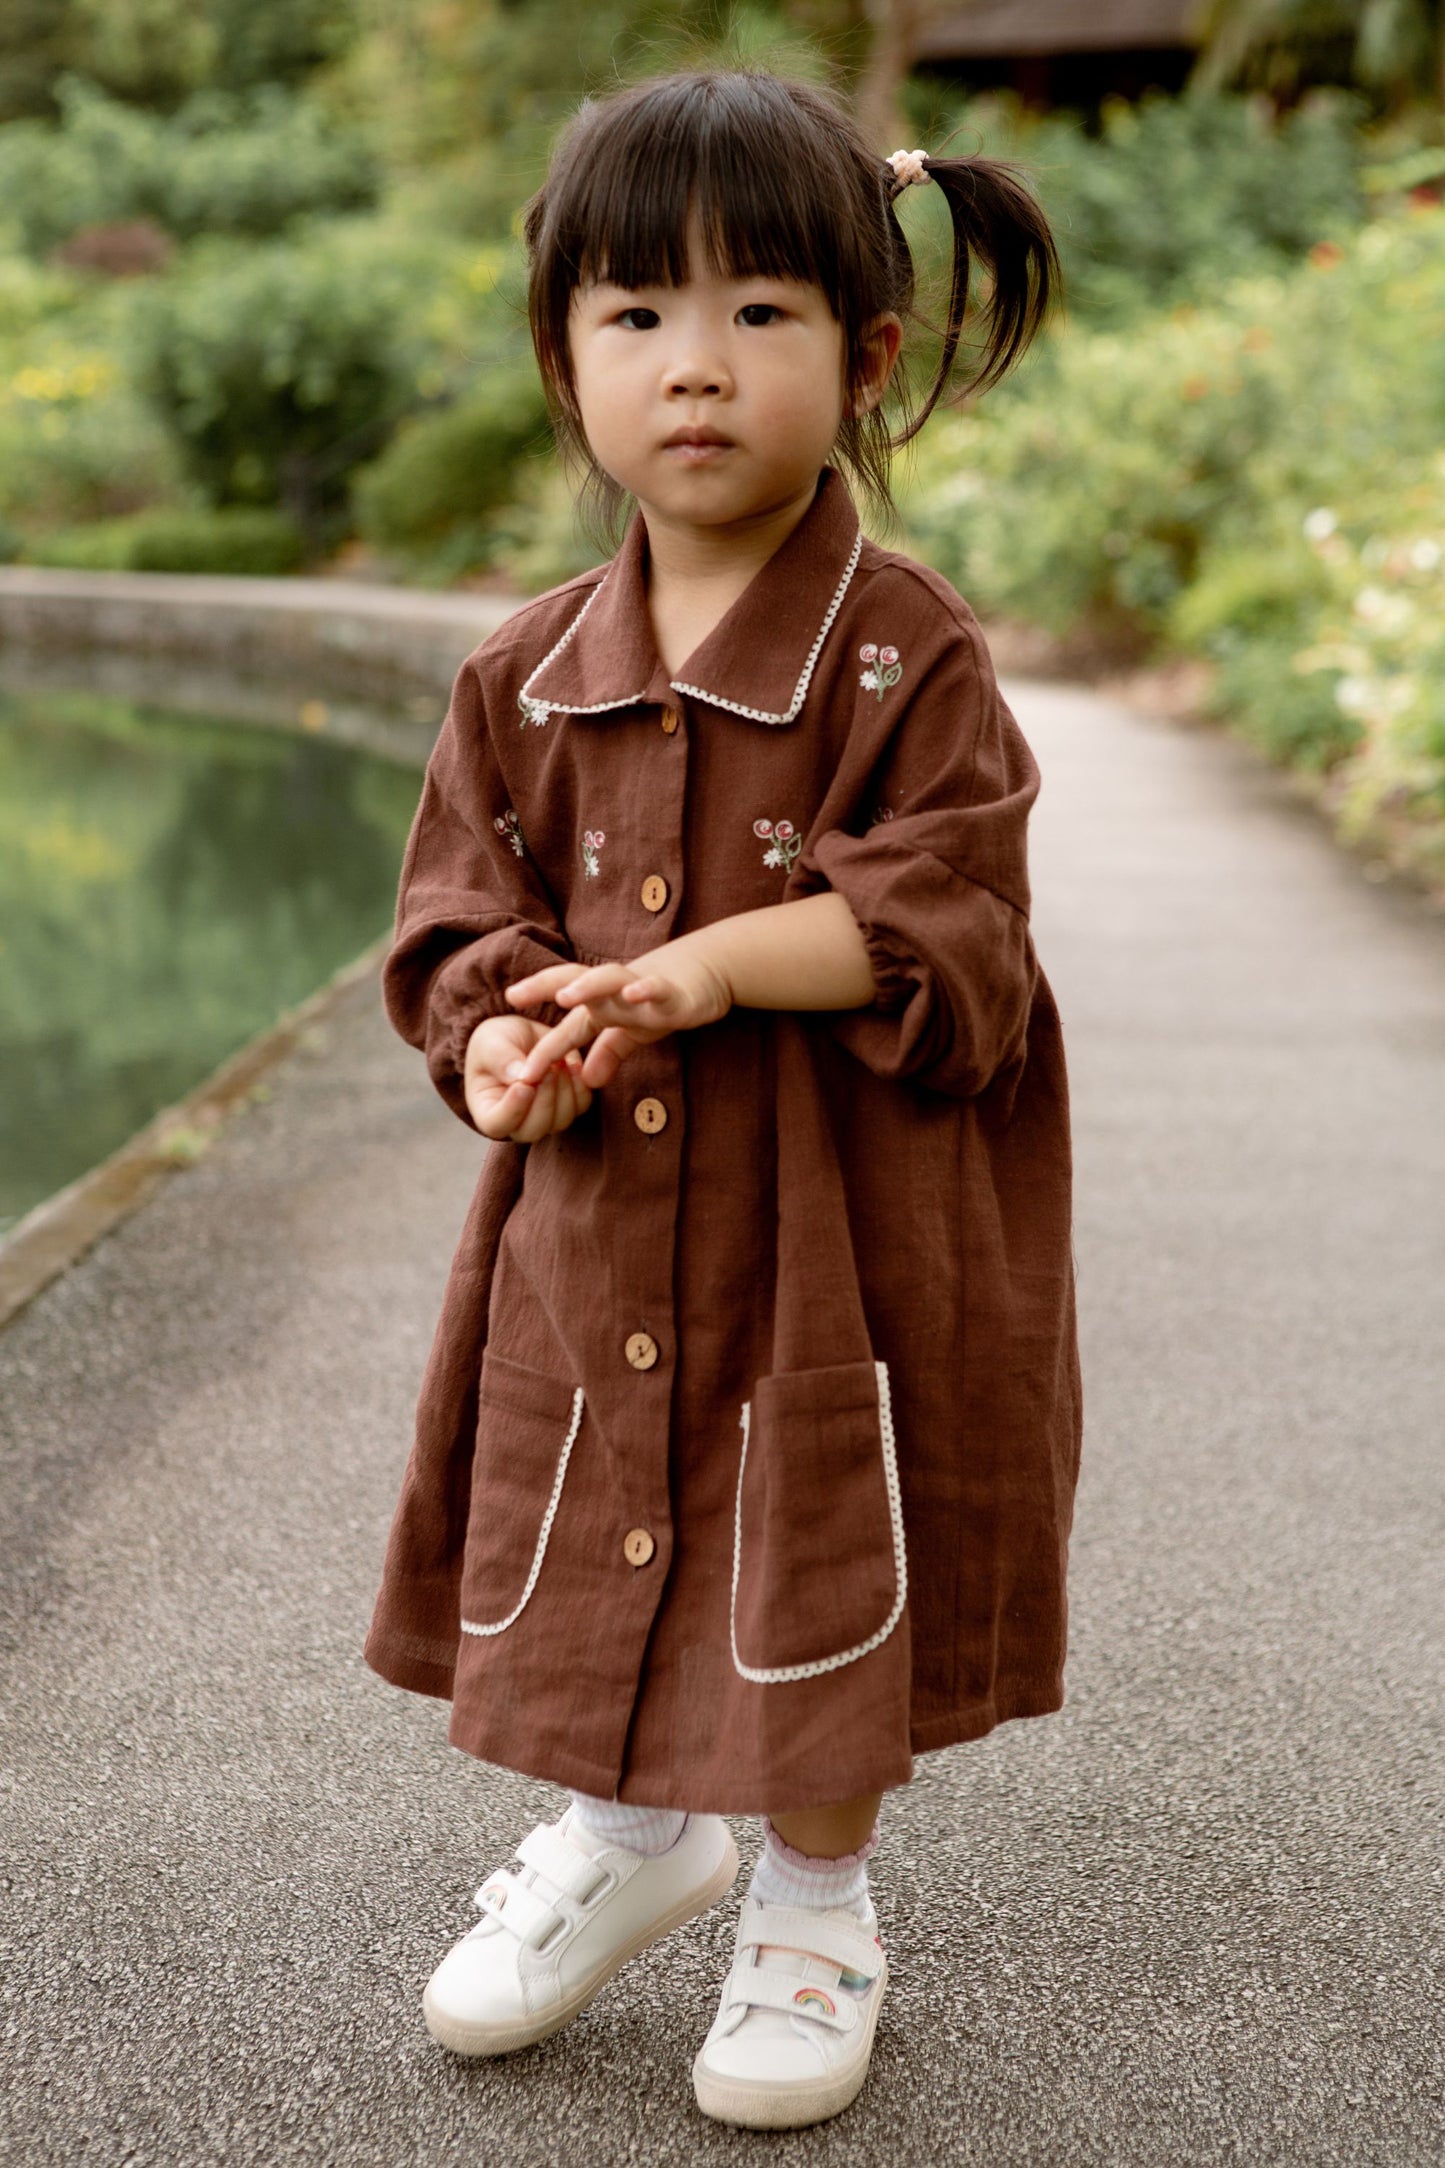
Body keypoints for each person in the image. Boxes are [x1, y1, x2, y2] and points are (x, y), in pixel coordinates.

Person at [364, 65, 1082, 2131]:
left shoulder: (899, 653)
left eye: (761, 314)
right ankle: (625, 1822)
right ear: (563, 358)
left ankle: (811, 1894)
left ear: (863, 359)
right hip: (600, 1215)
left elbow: (952, 920)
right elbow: (458, 919)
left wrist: (700, 969)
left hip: (838, 1221)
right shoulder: (520, 670)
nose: (697, 368)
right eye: (638, 314)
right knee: (599, 1490)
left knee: (810, 1514)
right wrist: (497, 1037)